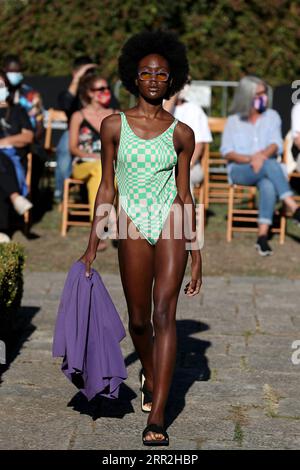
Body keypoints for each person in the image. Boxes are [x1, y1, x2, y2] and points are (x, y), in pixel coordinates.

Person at [79, 31, 202, 446]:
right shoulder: (113, 125)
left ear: (172, 80)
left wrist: (197, 250)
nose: (153, 79)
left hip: (171, 220)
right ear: (134, 77)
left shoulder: (182, 133)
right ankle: (148, 370)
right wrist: (94, 240)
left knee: (164, 313)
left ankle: (159, 417)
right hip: (130, 221)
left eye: (161, 74)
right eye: (146, 72)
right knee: (138, 319)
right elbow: (108, 188)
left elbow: (186, 195)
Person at [221, 75, 300, 256]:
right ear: (247, 96)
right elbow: (228, 151)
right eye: (259, 94)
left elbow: (276, 144)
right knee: (270, 165)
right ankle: (294, 207)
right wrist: (252, 159)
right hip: (240, 169)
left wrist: (260, 157)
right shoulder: (233, 121)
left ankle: (262, 237)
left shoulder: (272, 116)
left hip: (265, 168)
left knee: (268, 182)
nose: (264, 96)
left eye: (264, 93)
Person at [69, 73, 117, 251]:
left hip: (110, 167)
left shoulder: (115, 115)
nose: (105, 92)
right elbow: (73, 147)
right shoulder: (78, 116)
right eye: (100, 89)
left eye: (107, 88)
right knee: (99, 168)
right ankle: (111, 220)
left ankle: (98, 231)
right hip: (84, 164)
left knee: (104, 175)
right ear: (89, 93)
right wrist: (95, 157)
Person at [54, 56, 97, 203]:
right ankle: (63, 192)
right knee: (65, 147)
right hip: (74, 132)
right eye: (85, 72)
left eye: (90, 72)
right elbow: (65, 104)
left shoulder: (99, 91)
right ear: (75, 73)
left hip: (95, 134)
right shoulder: (70, 93)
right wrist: (77, 79)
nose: (88, 76)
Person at [0, 69, 34, 239]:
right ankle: (15, 198)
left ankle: (2, 231)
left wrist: (5, 142)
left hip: (14, 163)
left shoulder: (18, 111)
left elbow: (27, 136)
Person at [164, 80, 212, 199]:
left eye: (186, 82)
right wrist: (172, 97)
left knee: (183, 176)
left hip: (190, 165)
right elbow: (158, 123)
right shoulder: (161, 107)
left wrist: (187, 164)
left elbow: (200, 144)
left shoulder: (195, 110)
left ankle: (185, 216)